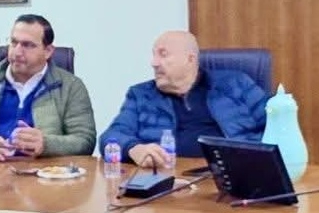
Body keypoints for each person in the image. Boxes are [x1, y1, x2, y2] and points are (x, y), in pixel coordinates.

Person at [98, 31, 268, 167]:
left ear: (190, 59)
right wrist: (133, 148)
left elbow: (276, 126)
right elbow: (111, 137)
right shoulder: (141, 95)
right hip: (169, 180)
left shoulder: (236, 84)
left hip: (235, 175)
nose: (154, 63)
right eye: (154, 55)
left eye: (163, 55)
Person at [0, 14, 95, 162]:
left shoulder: (71, 86)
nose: (17, 52)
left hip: (44, 172)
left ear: (48, 51)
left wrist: (46, 144)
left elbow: (84, 140)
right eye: (14, 42)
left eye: (28, 45)